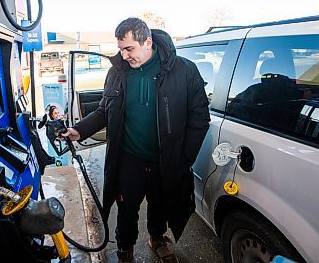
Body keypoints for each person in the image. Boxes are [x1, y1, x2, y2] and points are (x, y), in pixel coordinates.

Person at [63, 18, 210, 263]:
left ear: (147, 42)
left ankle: (157, 238)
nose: (124, 55)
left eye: (129, 48)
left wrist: (185, 157)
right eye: (121, 49)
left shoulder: (184, 70)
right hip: (128, 157)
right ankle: (125, 248)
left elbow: (199, 116)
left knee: (160, 203)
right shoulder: (117, 73)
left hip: (166, 157)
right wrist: (80, 130)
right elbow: (103, 110)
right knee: (126, 207)